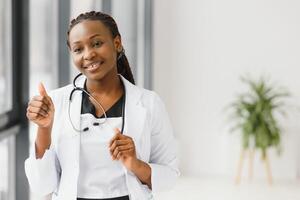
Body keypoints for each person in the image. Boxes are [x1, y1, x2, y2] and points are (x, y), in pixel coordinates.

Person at [25, 11, 179, 200]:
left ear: (117, 43)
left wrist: (135, 163)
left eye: (97, 43)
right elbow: (42, 186)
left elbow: (170, 176)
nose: (88, 54)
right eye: (78, 49)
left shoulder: (149, 103)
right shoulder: (56, 102)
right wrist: (44, 128)